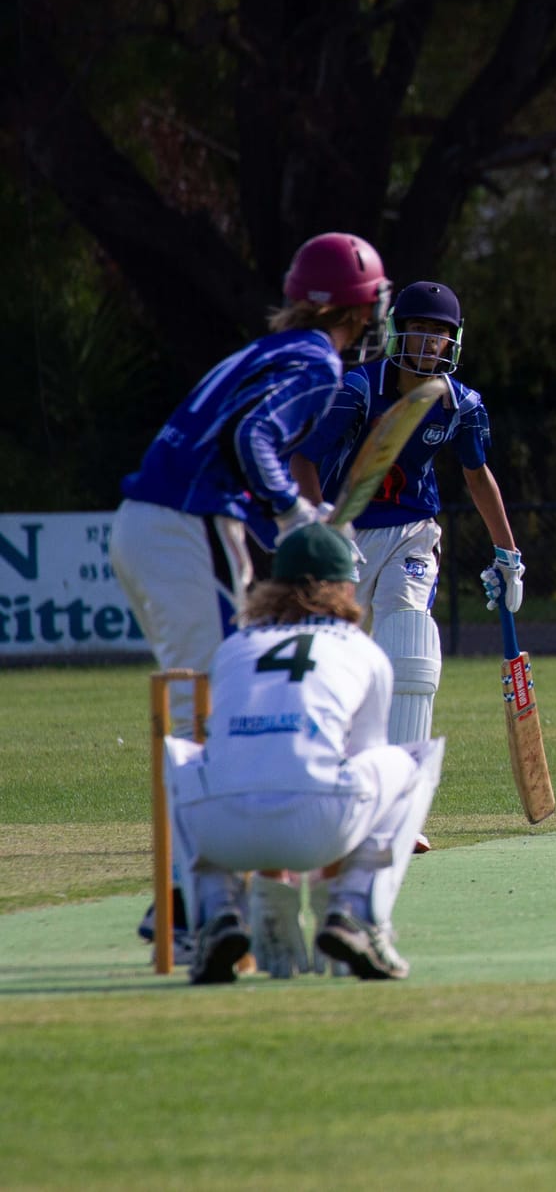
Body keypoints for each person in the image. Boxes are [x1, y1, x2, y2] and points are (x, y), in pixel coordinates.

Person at [112, 230, 390, 958]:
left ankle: (185, 895)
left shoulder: (269, 351)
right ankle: (185, 899)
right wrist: (293, 511)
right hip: (185, 525)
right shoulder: (314, 362)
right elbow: (252, 435)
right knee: (208, 705)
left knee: (207, 702)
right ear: (360, 310)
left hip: (159, 524)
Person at [162, 522, 443, 983]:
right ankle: (354, 913)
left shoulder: (233, 648)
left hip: (221, 831)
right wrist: (327, 886)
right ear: (345, 586)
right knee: (410, 762)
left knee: (183, 758)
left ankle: (216, 914)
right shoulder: (363, 651)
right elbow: (359, 765)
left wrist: (275, 890)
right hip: (322, 824)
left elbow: (249, 754)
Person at [291, 281, 523, 745]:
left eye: (437, 333)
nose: (427, 343)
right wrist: (322, 528)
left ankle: (401, 783)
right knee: (336, 658)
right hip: (346, 534)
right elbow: (304, 459)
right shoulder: (358, 389)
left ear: (451, 341)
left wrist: (508, 555)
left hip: (413, 531)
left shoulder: (463, 405)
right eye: (417, 329)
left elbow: (477, 477)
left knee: (408, 631)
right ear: (397, 332)